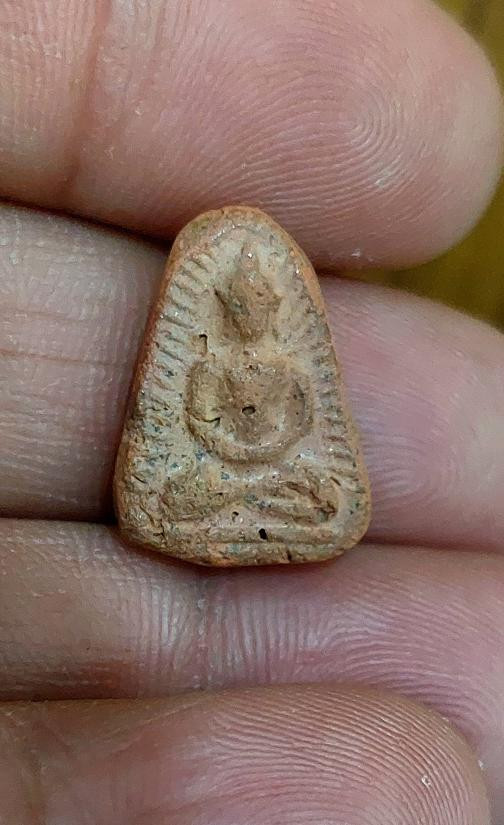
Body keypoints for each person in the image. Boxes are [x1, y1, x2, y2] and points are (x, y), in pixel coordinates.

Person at [0, 0, 502, 822]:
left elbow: (293, 429)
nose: (249, 314)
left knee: (322, 502)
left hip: (267, 487)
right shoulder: (208, 361)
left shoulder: (282, 368)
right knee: (178, 498)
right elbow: (203, 425)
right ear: (230, 306)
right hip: (214, 483)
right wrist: (225, 455)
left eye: (257, 305)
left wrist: (260, 461)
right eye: (241, 305)